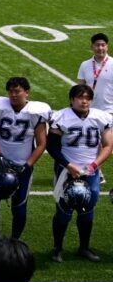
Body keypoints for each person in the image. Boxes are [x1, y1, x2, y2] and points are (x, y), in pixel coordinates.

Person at [48, 84, 112, 262]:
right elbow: (52, 146)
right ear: (72, 99)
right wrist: (68, 165)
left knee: (87, 210)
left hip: (91, 170)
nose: (84, 101)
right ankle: (57, 248)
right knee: (63, 211)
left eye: (87, 98)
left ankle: (84, 247)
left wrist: (94, 165)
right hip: (66, 170)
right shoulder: (61, 116)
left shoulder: (101, 117)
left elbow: (108, 146)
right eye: (80, 97)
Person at [0, 77, 50, 239]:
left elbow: (41, 144)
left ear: (26, 93)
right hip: (0, 165)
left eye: (17, 91)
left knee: (19, 207)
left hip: (22, 167)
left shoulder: (35, 113)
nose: (13, 95)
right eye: (11, 91)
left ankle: (15, 240)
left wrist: (27, 165)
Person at [77, 32, 112, 114]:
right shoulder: (85, 64)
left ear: (107, 47)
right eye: (97, 45)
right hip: (89, 110)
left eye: (103, 45)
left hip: (110, 110)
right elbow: (80, 88)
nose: (100, 48)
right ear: (92, 47)